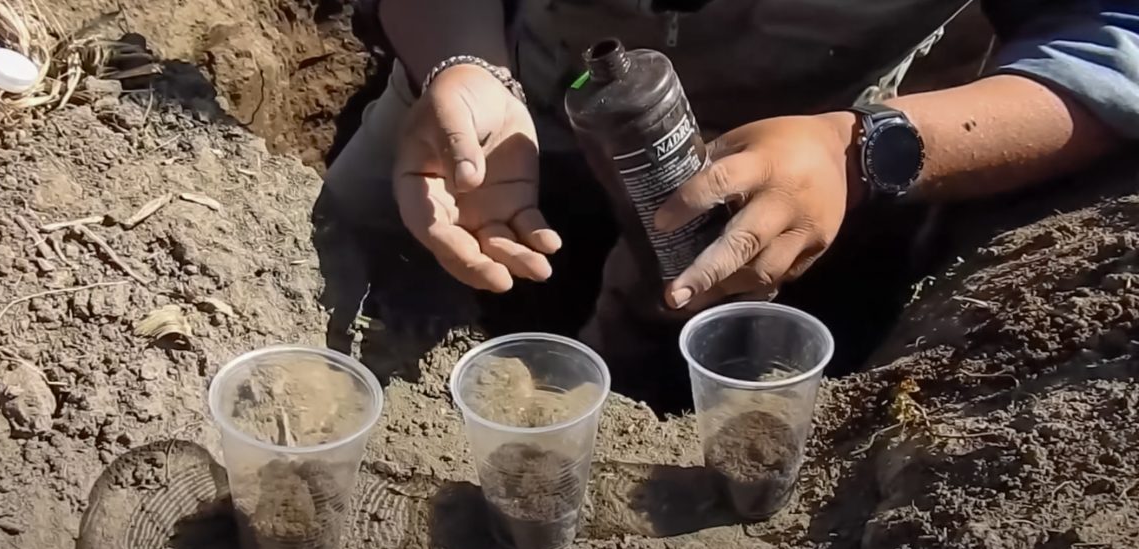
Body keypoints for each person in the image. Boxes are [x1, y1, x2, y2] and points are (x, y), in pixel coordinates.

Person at [318, 0, 1139, 406]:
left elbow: (1113, 31)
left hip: (811, 165)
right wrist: (461, 64)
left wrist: (859, 151)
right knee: (343, 284)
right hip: (485, 119)